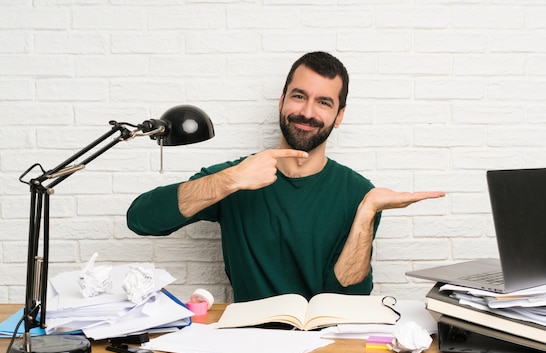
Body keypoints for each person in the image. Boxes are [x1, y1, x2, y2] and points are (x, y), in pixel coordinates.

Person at [127, 51, 444, 302]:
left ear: (339, 116)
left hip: (328, 346)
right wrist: (230, 180)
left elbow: (351, 299)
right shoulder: (239, 175)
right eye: (298, 96)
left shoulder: (359, 193)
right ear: (281, 102)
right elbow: (141, 218)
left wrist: (366, 212)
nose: (307, 112)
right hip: (250, 343)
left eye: (323, 102)